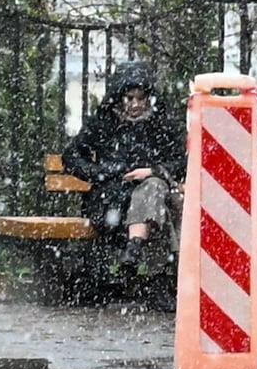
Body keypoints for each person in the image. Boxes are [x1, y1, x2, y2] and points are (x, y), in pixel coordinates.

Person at [56, 68, 180, 249]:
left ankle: (134, 248)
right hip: (110, 199)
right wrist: (103, 171)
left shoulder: (161, 125)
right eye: (130, 98)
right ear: (119, 98)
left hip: (152, 198)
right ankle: (137, 249)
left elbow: (184, 161)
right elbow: (71, 156)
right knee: (155, 205)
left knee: (154, 187)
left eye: (141, 98)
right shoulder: (103, 123)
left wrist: (153, 171)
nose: (135, 104)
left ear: (149, 98)